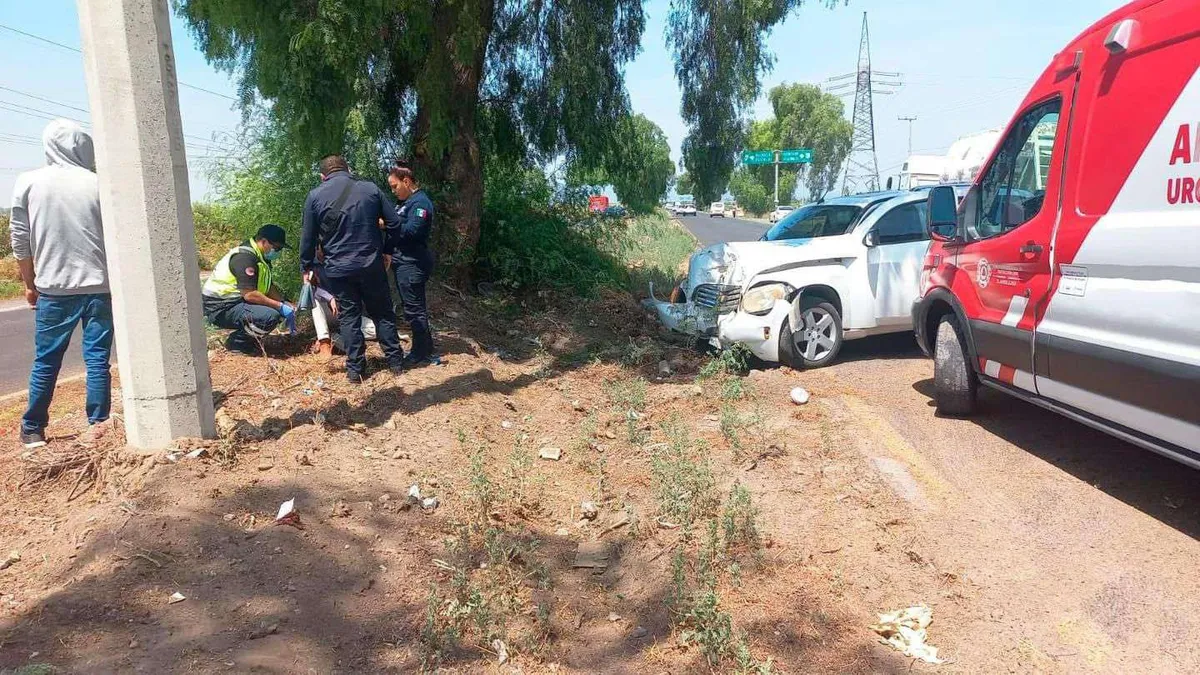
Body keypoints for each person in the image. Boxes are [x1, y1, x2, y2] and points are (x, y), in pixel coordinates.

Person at [10, 120, 111, 449]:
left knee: (47, 360)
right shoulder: (100, 183)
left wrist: (30, 283)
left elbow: (20, 240)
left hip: (54, 288)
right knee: (96, 359)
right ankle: (98, 426)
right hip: (99, 287)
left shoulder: (28, 182)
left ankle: (33, 429)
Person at [300, 155, 406, 382]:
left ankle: (355, 370)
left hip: (338, 269)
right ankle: (396, 363)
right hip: (371, 265)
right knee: (382, 313)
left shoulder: (315, 196)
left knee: (349, 317)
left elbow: (307, 239)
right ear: (348, 169)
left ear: (323, 177)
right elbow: (395, 224)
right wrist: (387, 251)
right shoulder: (370, 189)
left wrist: (307, 267)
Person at [201, 224, 296, 354]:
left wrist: (285, 303)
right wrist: (279, 306)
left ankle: (248, 340)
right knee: (269, 316)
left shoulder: (260, 257)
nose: (278, 252)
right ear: (263, 241)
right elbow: (249, 294)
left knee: (277, 311)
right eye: (277, 248)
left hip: (235, 302)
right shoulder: (244, 258)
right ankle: (238, 344)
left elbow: (268, 286)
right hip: (220, 307)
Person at [387, 162, 436, 367]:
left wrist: (387, 224)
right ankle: (426, 346)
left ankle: (420, 354)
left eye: (394, 186)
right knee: (413, 307)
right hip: (402, 262)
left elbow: (412, 231)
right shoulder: (406, 203)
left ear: (406, 181)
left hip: (412, 263)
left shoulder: (421, 203)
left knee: (415, 309)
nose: (393, 190)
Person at [309, 258, 377, 356]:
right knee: (314, 301)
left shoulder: (344, 260)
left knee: (375, 329)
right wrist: (330, 298)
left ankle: (338, 337)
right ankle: (324, 342)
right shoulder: (313, 266)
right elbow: (311, 289)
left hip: (348, 313)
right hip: (329, 311)